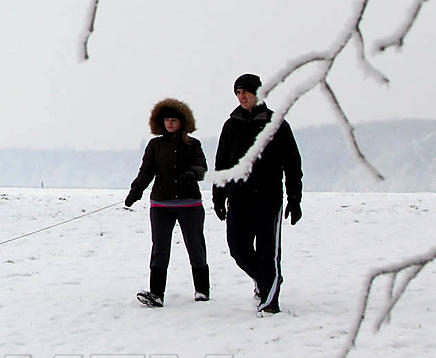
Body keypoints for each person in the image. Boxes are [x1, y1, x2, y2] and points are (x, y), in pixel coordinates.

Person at [212, 73, 303, 315]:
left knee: (267, 252)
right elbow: (222, 163)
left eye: (246, 91)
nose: (242, 96)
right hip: (239, 199)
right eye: (238, 92)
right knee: (237, 248)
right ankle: (267, 281)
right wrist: (218, 196)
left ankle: (270, 302)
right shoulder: (231, 125)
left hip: (268, 199)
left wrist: (294, 199)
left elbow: (292, 164)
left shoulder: (277, 124)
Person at [124, 98, 209, 307]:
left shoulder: (193, 144)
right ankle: (156, 293)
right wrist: (136, 191)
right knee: (160, 247)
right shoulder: (155, 145)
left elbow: (202, 167)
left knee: (195, 246)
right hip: (161, 205)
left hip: (190, 204)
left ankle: (202, 289)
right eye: (166, 120)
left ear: (183, 122)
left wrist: (192, 173)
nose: (170, 123)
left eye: (174, 120)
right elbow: (146, 171)